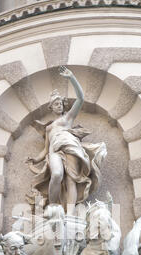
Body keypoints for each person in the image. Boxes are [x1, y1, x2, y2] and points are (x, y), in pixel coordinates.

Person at [27, 66, 107, 214]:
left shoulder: (68, 118)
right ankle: (52, 209)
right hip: (54, 151)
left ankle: (69, 215)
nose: (59, 105)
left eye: (60, 103)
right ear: (51, 108)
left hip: (71, 148)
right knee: (57, 175)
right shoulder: (49, 128)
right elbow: (46, 149)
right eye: (56, 104)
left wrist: (72, 79)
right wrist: (36, 159)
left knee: (71, 181)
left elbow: (81, 99)